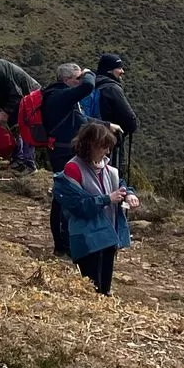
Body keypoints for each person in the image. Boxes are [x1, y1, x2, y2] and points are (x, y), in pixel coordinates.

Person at [53, 120, 138, 295]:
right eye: (103, 147)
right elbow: (78, 206)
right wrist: (107, 199)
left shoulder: (108, 168)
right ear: (89, 145)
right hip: (87, 238)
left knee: (104, 288)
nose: (107, 152)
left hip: (107, 235)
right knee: (92, 287)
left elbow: (119, 184)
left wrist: (129, 193)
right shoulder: (73, 169)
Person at [40, 62, 99, 256]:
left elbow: (79, 119)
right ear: (66, 80)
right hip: (63, 152)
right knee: (63, 197)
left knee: (65, 195)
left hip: (63, 150)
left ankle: (66, 244)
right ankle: (62, 246)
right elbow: (89, 86)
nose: (81, 80)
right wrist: (89, 73)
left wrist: (107, 125)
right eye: (77, 78)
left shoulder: (61, 96)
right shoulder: (60, 95)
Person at [90, 54, 139, 173]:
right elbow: (130, 121)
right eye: (119, 68)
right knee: (111, 174)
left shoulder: (92, 84)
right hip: (109, 142)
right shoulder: (112, 88)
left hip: (90, 137)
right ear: (109, 70)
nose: (122, 71)